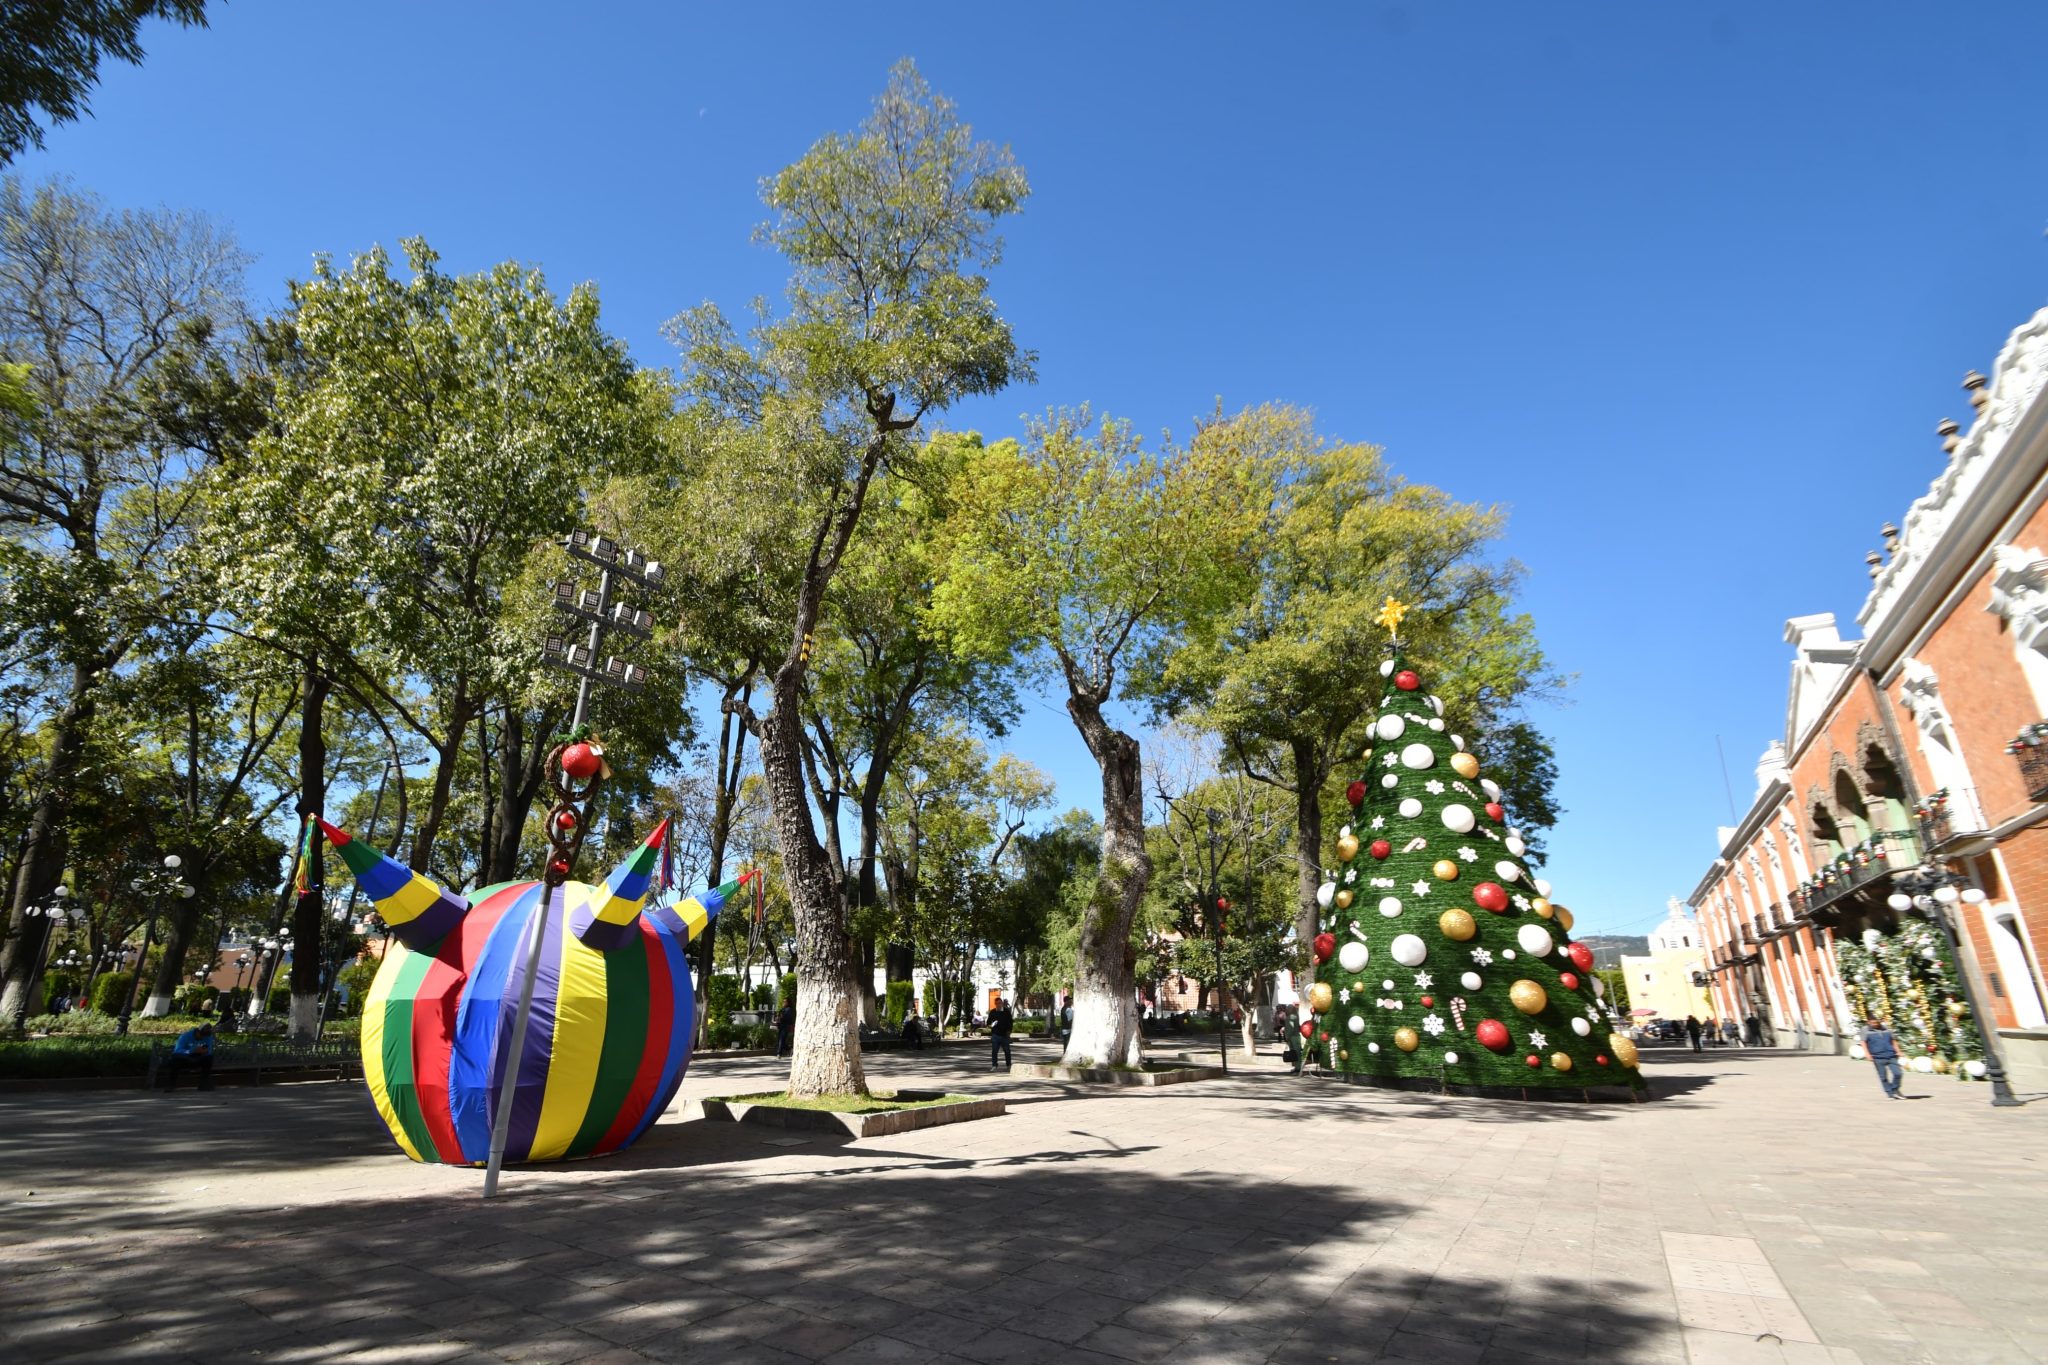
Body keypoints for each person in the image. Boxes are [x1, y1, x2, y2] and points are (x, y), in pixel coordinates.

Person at [163, 1022, 216, 1092]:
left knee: (209, 1058)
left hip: (198, 1058)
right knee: (174, 1059)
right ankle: (170, 1085)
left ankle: (203, 1084)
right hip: (185, 1058)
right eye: (202, 1035)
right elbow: (178, 1050)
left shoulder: (208, 1037)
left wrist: (204, 1051)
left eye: (205, 1035)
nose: (203, 1037)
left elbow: (208, 1050)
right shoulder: (185, 1036)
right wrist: (191, 1051)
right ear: (197, 1031)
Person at [1861, 1016, 1904, 1098]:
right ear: (1868, 1022)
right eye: (1873, 1023)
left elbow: (1893, 1040)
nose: (1875, 1024)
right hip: (1877, 1056)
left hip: (1891, 1055)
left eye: (1877, 1022)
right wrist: (1867, 1054)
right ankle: (1890, 1093)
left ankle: (1895, 1089)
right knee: (1883, 1076)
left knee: (1898, 1073)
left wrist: (1898, 1051)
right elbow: (1863, 1042)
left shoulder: (1886, 1028)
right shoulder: (1865, 1030)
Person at [988, 996, 1014, 1071]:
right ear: (995, 1004)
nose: (999, 1005)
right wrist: (991, 1025)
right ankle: (994, 1065)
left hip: (1005, 1035)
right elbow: (988, 1022)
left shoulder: (1006, 1012)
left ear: (1002, 1003)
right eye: (997, 1003)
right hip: (995, 1035)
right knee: (994, 1051)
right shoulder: (992, 1012)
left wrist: (1009, 1032)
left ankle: (1008, 1065)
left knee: (1007, 1051)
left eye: (1000, 1003)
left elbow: (1010, 1022)